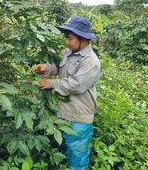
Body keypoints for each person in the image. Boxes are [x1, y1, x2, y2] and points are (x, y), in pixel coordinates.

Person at [33, 17, 101, 170]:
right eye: (66, 38)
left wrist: (51, 83)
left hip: (79, 115)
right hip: (62, 111)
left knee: (77, 156)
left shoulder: (91, 62)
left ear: (83, 39)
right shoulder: (67, 52)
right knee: (62, 151)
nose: (66, 42)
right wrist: (45, 68)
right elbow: (57, 67)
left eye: (70, 39)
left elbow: (76, 85)